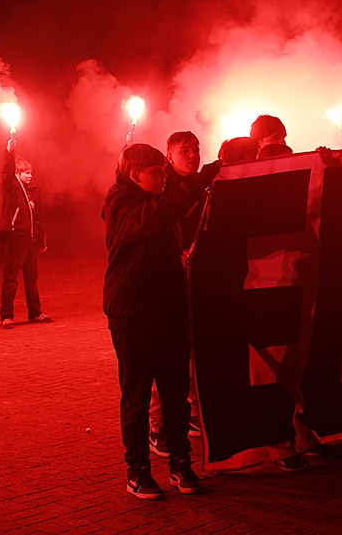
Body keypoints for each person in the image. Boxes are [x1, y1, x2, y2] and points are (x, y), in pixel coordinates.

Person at [102, 142, 219, 499]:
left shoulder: (156, 204)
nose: (165, 176)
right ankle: (137, 471)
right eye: (158, 172)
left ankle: (180, 463)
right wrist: (199, 181)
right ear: (136, 176)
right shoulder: (120, 204)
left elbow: (175, 214)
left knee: (175, 396)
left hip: (166, 311)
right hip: (132, 314)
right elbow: (151, 218)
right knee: (136, 398)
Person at [148, 131, 204, 458]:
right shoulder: (161, 191)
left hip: (197, 282)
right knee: (164, 357)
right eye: (185, 150)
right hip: (167, 284)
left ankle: (194, 412)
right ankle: (158, 425)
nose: (193, 155)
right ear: (170, 157)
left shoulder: (205, 188)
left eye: (196, 149)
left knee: (197, 349)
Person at [0, 138, 52, 329]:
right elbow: (6, 173)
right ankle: (6, 316)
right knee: (11, 279)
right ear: (17, 174)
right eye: (26, 173)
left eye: (31, 173)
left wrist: (41, 239)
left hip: (31, 242)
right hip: (16, 239)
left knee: (32, 279)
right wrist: (9, 152)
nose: (30, 176)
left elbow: (38, 219)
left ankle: (35, 313)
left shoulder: (32, 192)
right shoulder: (12, 189)